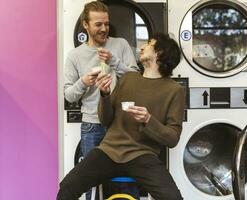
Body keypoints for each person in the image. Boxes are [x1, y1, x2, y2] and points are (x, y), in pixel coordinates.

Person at [57, 33, 185, 200]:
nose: (142, 47)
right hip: (109, 151)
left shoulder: (174, 90)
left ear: (159, 53)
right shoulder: (128, 78)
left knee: (173, 198)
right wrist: (105, 95)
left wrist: (148, 120)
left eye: (148, 44)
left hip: (143, 154)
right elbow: (106, 120)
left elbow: (173, 138)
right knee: (67, 187)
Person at [63, 1, 137, 200]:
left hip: (122, 124)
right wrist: (83, 82)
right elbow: (69, 95)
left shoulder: (120, 45)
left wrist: (115, 62)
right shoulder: (75, 56)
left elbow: (136, 79)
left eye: (106, 23)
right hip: (92, 125)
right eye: (98, 24)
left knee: (126, 178)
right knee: (89, 180)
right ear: (85, 25)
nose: (104, 28)